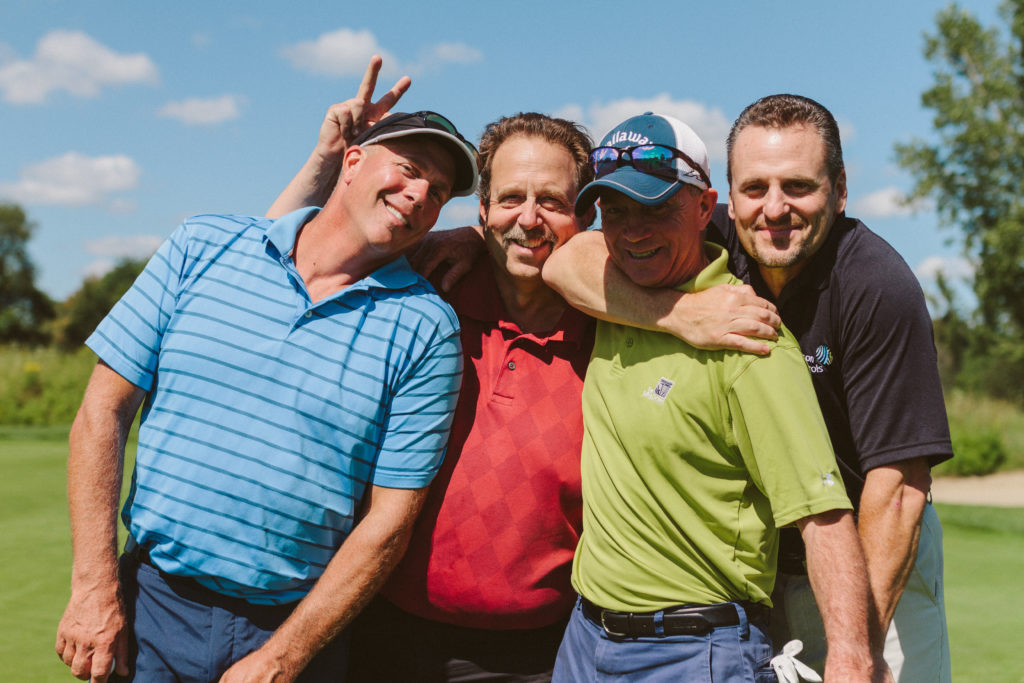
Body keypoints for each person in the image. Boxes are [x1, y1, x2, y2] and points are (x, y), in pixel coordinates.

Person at [265, 62, 783, 681]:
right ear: (481, 210)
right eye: (510, 199)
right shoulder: (427, 291)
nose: (530, 219)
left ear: (585, 218)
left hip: (545, 652)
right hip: (384, 631)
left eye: (552, 202)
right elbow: (280, 266)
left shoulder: (618, 325)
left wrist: (674, 312)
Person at [54, 81, 478, 682]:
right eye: (409, 169)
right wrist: (94, 589)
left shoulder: (429, 327)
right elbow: (103, 411)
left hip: (295, 628)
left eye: (437, 193)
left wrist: (285, 656)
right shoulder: (203, 245)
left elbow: (390, 521)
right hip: (150, 607)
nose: (418, 195)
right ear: (351, 162)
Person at [544, 95, 952, 682]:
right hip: (762, 561)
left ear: (839, 190)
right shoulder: (698, 228)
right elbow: (569, 261)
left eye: (799, 187)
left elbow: (899, 489)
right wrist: (679, 315)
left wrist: (857, 648)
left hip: (871, 541)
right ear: (726, 199)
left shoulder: (878, 287)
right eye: (755, 188)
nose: (775, 208)